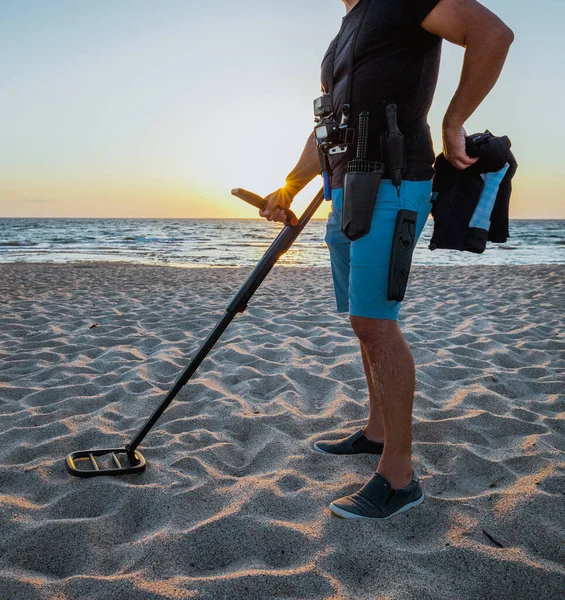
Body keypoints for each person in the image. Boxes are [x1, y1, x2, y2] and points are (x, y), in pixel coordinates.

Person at [259, 0, 514, 520]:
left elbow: (493, 33)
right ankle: (377, 432)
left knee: (377, 322)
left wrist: (455, 119)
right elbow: (327, 125)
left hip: (395, 183)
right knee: (362, 321)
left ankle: (399, 477)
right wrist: (288, 186)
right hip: (347, 187)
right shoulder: (346, 28)